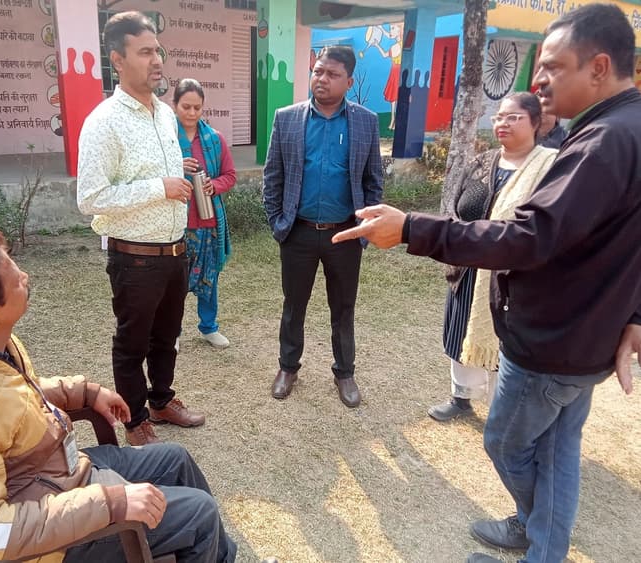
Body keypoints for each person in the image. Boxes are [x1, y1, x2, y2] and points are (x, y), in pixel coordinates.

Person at [333, 5, 641, 562]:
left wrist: (411, 228)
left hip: (555, 344)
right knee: (558, 453)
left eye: (553, 66)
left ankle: (535, 529)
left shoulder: (606, 142)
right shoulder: (621, 128)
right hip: (587, 338)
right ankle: (540, 543)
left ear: (599, 67)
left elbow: (527, 237)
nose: (538, 81)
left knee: (505, 443)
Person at [0, 225, 237, 563]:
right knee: (198, 514)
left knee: (176, 458)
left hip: (56, 473)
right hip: (50, 538)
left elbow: (8, 398)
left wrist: (83, 392)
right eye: (15, 278)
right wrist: (110, 504)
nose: (25, 276)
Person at [77, 11, 204, 447]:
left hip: (175, 250)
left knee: (167, 337)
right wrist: (158, 186)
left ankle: (162, 400)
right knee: (132, 343)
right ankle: (134, 422)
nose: (157, 60)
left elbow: (154, 172)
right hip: (134, 258)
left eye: (158, 51)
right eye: (145, 52)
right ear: (118, 59)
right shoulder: (104, 122)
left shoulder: (165, 115)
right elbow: (90, 197)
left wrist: (178, 172)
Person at [263, 45, 383, 408]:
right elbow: (273, 176)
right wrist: (278, 223)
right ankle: (288, 367)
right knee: (293, 305)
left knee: (343, 307)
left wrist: (365, 227)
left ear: (349, 81)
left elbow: (373, 180)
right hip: (298, 232)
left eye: (332, 74)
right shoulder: (287, 118)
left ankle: (344, 372)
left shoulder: (365, 121)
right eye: (318, 71)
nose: (322, 79)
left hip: (344, 233)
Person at [428, 92, 557, 422]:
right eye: (500, 116)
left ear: (536, 122)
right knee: (460, 331)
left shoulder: (549, 168)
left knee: (507, 342)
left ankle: (505, 409)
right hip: (469, 266)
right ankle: (461, 397)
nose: (503, 123)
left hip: (514, 275)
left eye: (514, 117)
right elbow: (457, 205)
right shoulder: (482, 162)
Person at [173, 78, 236, 349]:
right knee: (174, 283)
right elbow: (152, 174)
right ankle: (172, 332)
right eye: (185, 106)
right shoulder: (165, 139)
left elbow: (230, 175)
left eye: (197, 108)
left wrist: (214, 185)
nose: (191, 113)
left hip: (208, 222)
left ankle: (209, 327)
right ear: (174, 105)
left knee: (210, 279)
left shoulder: (214, 139)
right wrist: (176, 165)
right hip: (176, 224)